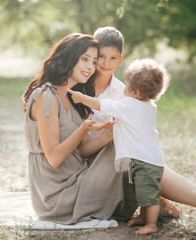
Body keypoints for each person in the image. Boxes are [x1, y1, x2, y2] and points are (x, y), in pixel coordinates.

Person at [90, 26, 196, 219]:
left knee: (144, 161)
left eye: (112, 58)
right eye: (101, 56)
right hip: (93, 159)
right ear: (94, 55)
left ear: (120, 60)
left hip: (121, 156)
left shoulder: (126, 91)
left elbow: (141, 130)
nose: (105, 63)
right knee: (139, 160)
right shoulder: (81, 85)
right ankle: (168, 202)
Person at [22, 33, 138, 224]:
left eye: (93, 61)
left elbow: (80, 152)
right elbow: (54, 158)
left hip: (78, 176)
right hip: (59, 195)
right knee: (132, 151)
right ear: (69, 57)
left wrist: (109, 134)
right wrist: (83, 129)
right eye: (84, 59)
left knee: (125, 142)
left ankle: (167, 200)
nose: (91, 67)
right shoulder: (46, 96)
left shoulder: (72, 97)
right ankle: (168, 200)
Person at [69, 58, 170, 235]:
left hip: (145, 161)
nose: (123, 89)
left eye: (127, 86)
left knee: (148, 194)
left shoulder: (129, 105)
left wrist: (82, 98)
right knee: (142, 191)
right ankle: (143, 216)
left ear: (136, 92)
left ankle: (151, 224)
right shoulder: (149, 105)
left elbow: (104, 105)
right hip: (149, 158)